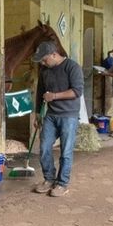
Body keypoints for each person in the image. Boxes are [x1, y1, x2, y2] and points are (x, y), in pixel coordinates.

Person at [33, 41, 84, 197]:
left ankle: (62, 184)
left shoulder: (72, 67)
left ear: (54, 55)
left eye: (44, 59)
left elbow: (77, 91)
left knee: (66, 152)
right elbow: (40, 92)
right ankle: (49, 179)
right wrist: (37, 113)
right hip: (50, 115)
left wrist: (54, 96)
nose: (42, 63)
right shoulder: (45, 70)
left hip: (69, 116)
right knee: (44, 147)